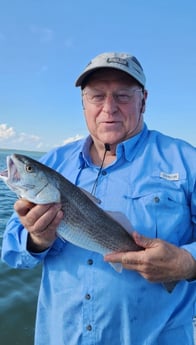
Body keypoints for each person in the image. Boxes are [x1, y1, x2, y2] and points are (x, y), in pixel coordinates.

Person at [1, 52, 196, 345]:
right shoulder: (54, 162)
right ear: (83, 102)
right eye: (96, 96)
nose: (109, 108)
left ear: (144, 99)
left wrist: (187, 263)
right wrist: (38, 239)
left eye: (122, 96)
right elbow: (13, 254)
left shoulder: (186, 161)